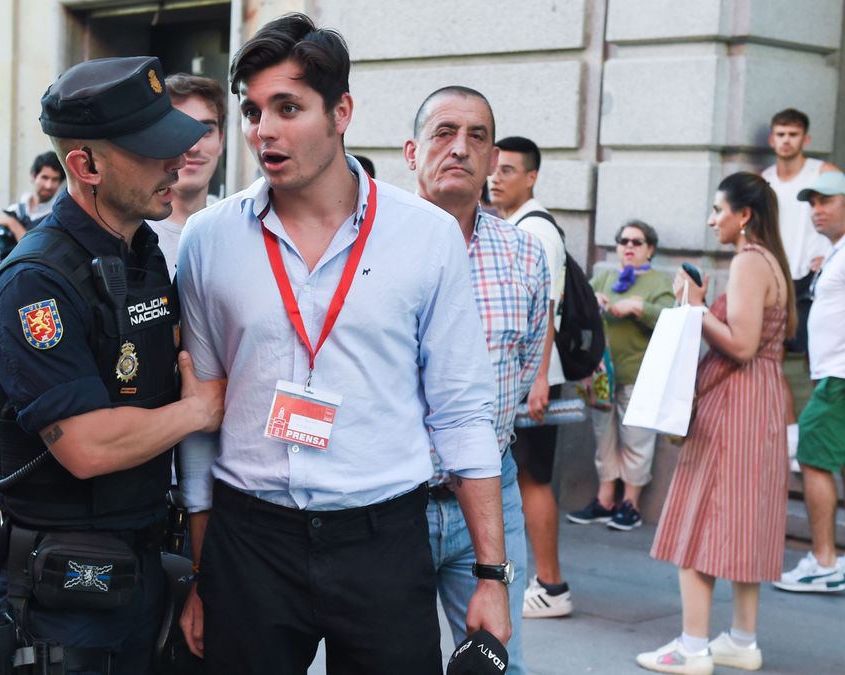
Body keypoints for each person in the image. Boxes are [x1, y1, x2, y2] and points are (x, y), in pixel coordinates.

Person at [178, 15, 507, 674]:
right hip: (251, 543)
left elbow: (465, 410)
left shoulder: (426, 236)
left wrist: (492, 573)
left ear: (341, 112)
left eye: (288, 107)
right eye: (252, 110)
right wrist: (199, 572)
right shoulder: (209, 239)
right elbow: (201, 421)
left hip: (382, 540)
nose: (263, 130)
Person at [0, 55, 225, 673]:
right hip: (65, 589)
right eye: (153, 151)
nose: (176, 163)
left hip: (140, 564)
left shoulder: (140, 250)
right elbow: (85, 445)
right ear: (85, 164)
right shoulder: (35, 283)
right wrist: (197, 410)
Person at [405, 85, 550, 675]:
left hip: (491, 502)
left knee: (496, 663)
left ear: (494, 160)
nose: (459, 148)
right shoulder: (368, 248)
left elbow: (522, 369)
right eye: (444, 132)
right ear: (413, 151)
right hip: (392, 507)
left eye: (477, 137)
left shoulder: (525, 257)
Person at [638, 172, 795, 674]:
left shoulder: (749, 261)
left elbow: (742, 346)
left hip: (736, 402)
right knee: (744, 523)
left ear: (743, 215)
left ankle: (692, 647)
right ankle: (741, 641)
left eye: (718, 209)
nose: (711, 219)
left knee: (699, 521)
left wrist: (695, 306)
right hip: (763, 402)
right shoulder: (773, 262)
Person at [489, 134, 573, 618]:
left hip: (536, 379)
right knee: (523, 479)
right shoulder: (514, 224)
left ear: (532, 177)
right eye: (494, 169)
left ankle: (552, 585)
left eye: (508, 170)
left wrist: (538, 379)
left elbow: (548, 310)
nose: (496, 178)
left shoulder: (537, 231)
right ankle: (541, 581)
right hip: (525, 377)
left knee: (534, 482)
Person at [567, 220, 674, 531]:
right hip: (600, 376)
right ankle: (604, 501)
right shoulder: (604, 277)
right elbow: (573, 308)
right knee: (604, 439)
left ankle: (631, 504)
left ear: (649, 249)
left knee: (637, 441)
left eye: (637, 242)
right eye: (623, 240)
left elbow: (671, 321)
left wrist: (639, 308)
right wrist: (592, 302)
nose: (628, 246)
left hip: (639, 376)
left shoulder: (658, 283)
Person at [774, 171, 845, 593]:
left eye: (827, 201)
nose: (817, 210)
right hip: (832, 375)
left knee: (813, 457)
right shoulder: (835, 252)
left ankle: (824, 561)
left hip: (839, 376)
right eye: (813, 202)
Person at [762, 108, 839, 356]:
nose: (786, 140)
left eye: (793, 134)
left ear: (805, 140)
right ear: (771, 140)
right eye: (781, 134)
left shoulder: (823, 173)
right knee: (775, 351)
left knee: (811, 350)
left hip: (813, 275)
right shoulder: (765, 179)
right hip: (777, 275)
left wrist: (832, 255)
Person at [145, 73, 227, 277]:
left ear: (221, 141)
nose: (193, 146)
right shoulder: (130, 233)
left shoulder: (238, 228)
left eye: (206, 130)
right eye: (178, 128)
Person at [0, 152, 68, 259]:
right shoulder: (15, 210)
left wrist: (12, 224)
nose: (49, 185)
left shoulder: (58, 216)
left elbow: (34, 250)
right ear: (33, 177)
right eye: (45, 178)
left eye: (55, 179)